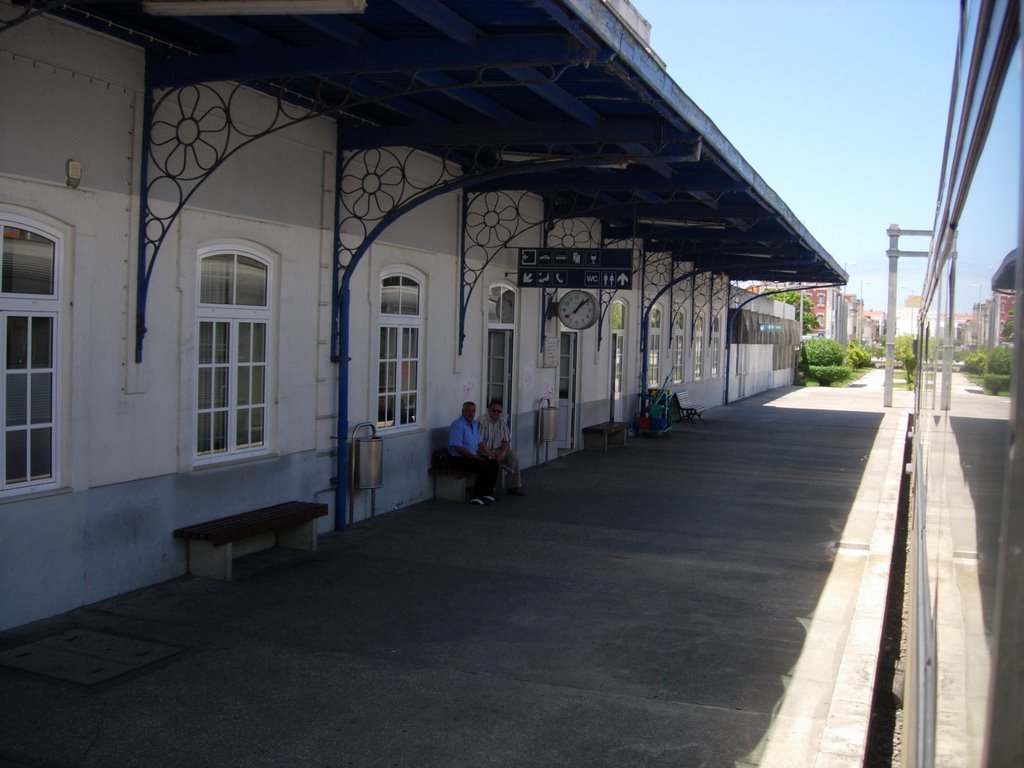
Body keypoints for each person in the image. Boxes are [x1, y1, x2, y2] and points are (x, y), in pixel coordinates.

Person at [447, 401, 499, 505]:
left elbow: (480, 443)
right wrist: (474, 457)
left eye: (473, 411)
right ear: (462, 411)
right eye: (468, 411)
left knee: (494, 464)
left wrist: (491, 454)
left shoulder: (474, 424)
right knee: (484, 466)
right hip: (458, 458)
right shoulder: (457, 425)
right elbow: (458, 447)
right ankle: (476, 496)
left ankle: (487, 493)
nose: (471, 413)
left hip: (471, 456)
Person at [478, 399, 525, 496]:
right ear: (488, 410)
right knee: (491, 461)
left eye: (498, 411)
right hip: (483, 451)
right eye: (493, 410)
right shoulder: (481, 421)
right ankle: (490, 489)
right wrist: (491, 454)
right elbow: (479, 443)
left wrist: (503, 453)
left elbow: (506, 441)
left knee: (513, 455)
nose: (496, 413)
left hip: (498, 450)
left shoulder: (502, 421)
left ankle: (514, 486)